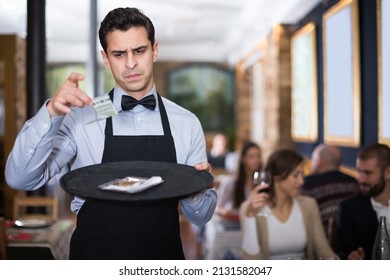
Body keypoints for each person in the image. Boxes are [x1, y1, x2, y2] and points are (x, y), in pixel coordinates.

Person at [5, 7, 216, 260]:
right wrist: (50, 113)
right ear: (106, 59)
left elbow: (201, 217)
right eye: (119, 54)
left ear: (154, 50)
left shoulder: (186, 122)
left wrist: (195, 188)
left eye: (139, 51)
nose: (130, 63)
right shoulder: (82, 118)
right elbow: (20, 179)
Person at [240, 149, 338, 260]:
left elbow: (323, 250)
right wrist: (250, 216)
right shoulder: (249, 209)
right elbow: (250, 261)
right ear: (277, 178)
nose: (301, 181)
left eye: (302, 174)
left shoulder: (309, 205)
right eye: (295, 175)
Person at [334, 143, 390, 260]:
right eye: (359, 171)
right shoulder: (348, 208)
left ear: (388, 173)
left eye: (368, 173)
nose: (361, 178)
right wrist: (350, 257)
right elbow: (341, 252)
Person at [301, 144, 359, 239]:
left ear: (319, 162)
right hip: (354, 239)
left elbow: (302, 218)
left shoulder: (307, 183)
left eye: (313, 159)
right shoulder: (353, 182)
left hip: (323, 240)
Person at [215, 141, 262, 223]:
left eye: (258, 156)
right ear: (243, 159)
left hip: (254, 225)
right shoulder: (231, 182)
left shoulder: (261, 182)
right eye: (251, 156)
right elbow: (217, 207)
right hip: (234, 227)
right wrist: (224, 212)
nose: (256, 160)